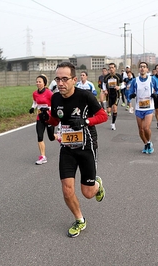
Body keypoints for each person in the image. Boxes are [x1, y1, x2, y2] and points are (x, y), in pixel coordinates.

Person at [39, 62, 108, 238]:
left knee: (88, 193)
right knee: (67, 189)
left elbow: (103, 116)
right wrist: (48, 119)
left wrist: (85, 122)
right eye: (57, 79)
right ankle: (79, 220)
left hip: (87, 147)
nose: (60, 83)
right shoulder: (55, 98)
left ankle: (97, 184)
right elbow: (56, 120)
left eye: (64, 79)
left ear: (74, 80)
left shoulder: (85, 96)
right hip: (67, 148)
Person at [128, 62, 158, 154]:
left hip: (149, 107)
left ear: (147, 69)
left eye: (144, 67)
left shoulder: (152, 79)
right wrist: (131, 95)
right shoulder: (135, 80)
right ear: (139, 69)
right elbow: (129, 93)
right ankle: (146, 143)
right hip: (139, 108)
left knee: (146, 128)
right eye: (141, 67)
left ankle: (149, 142)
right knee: (141, 130)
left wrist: (156, 94)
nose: (142, 68)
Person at [29, 74, 56, 165]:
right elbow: (35, 102)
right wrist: (33, 108)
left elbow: (54, 105)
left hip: (49, 117)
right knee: (40, 136)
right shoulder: (35, 93)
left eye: (40, 82)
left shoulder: (49, 93)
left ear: (44, 83)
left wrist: (48, 109)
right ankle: (43, 156)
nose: (38, 83)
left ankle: (58, 137)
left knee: (51, 137)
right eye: (37, 81)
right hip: (40, 117)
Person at [103, 62, 123, 130]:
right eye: (110, 68)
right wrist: (105, 90)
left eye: (112, 68)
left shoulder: (118, 76)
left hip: (116, 94)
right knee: (108, 110)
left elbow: (123, 84)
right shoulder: (106, 77)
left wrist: (119, 87)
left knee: (114, 108)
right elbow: (103, 84)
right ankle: (110, 113)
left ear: (115, 68)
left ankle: (113, 123)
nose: (111, 69)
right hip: (108, 95)